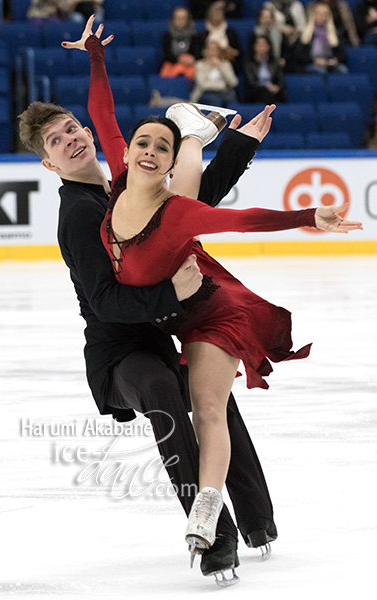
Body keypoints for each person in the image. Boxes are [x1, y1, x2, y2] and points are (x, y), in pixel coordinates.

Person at [66, 21, 362, 564]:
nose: (149, 151)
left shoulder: (182, 213)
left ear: (170, 158)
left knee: (207, 408)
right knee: (200, 407)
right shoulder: (118, 174)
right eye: (144, 144)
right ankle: (196, 129)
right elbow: (102, 114)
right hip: (170, 315)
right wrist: (95, 58)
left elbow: (245, 219)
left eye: (164, 146)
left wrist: (307, 215)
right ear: (129, 154)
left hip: (212, 310)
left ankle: (207, 507)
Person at [19, 23, 284, 586]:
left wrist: (240, 146)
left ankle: (259, 521)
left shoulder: (122, 183)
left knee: (210, 394)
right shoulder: (79, 214)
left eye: (71, 129)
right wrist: (175, 294)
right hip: (119, 353)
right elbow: (107, 302)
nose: (70, 139)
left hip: (157, 332)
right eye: (55, 143)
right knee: (167, 391)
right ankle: (215, 540)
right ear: (48, 164)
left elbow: (194, 206)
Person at [190, 1, 243, 75]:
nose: (217, 14)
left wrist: (230, 52)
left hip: (226, 64)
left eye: (219, 11)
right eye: (215, 11)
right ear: (209, 14)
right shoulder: (203, 34)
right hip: (207, 66)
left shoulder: (231, 33)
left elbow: (238, 52)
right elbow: (198, 54)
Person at [295, 1, 348, 74]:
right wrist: (315, 60)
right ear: (313, 15)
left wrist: (334, 60)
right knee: (321, 70)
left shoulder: (335, 34)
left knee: (342, 70)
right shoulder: (306, 34)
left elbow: (343, 55)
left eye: (325, 14)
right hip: (312, 63)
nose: (321, 17)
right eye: (319, 14)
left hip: (330, 63)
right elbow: (299, 55)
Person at [190, 40, 239, 106]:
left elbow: (234, 82)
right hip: (206, 93)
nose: (213, 52)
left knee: (231, 99)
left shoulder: (225, 64)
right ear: (206, 51)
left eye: (215, 49)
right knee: (215, 100)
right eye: (210, 49)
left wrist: (221, 67)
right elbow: (203, 85)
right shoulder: (200, 65)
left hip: (224, 93)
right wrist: (222, 85)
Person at [245, 34, 287, 104]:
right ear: (254, 46)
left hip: (273, 93)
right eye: (259, 44)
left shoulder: (275, 62)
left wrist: (277, 87)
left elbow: (281, 79)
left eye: (264, 44)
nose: (262, 46)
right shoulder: (250, 64)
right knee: (264, 92)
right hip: (256, 93)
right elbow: (252, 82)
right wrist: (267, 87)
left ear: (269, 46)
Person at [160, 6, 196, 81]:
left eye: (183, 18)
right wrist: (178, 59)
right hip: (172, 65)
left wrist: (192, 59)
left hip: (190, 66)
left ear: (188, 20)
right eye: (178, 18)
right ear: (173, 20)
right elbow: (166, 55)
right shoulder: (167, 36)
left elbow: (197, 54)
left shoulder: (195, 36)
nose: (180, 21)